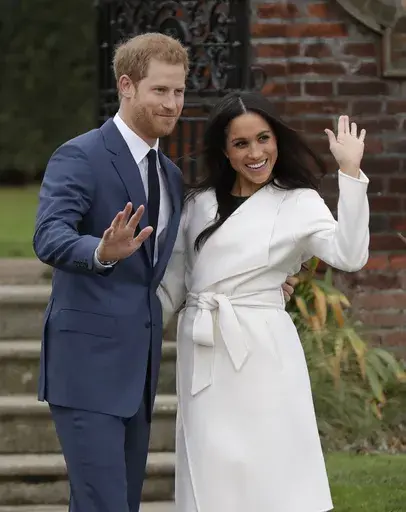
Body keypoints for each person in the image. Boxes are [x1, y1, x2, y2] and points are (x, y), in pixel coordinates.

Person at [158, 92, 370, 512]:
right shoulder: (197, 204)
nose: (255, 154)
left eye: (263, 139)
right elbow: (173, 286)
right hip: (204, 348)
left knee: (271, 461)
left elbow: (349, 255)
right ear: (225, 150)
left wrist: (350, 170)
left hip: (263, 350)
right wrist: (128, 328)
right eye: (241, 144)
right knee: (211, 464)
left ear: (277, 140)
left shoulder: (298, 202)